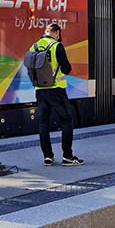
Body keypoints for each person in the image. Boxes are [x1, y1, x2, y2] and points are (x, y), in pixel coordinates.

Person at [29, 23, 83, 167]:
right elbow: (67, 69)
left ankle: (48, 157)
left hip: (40, 90)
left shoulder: (34, 46)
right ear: (57, 33)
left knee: (43, 123)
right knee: (67, 121)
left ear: (45, 32)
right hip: (56, 90)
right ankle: (67, 156)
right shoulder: (56, 46)